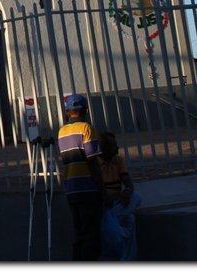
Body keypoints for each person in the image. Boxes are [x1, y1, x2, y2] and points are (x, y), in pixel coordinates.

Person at [58, 93, 105, 261]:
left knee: (78, 233)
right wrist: (101, 185)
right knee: (91, 233)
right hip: (88, 188)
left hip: (71, 188)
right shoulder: (87, 128)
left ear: (67, 112)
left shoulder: (62, 132)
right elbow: (92, 160)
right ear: (85, 110)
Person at [99, 132, 141, 261]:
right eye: (113, 146)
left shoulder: (118, 160)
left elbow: (128, 183)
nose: (117, 148)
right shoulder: (96, 164)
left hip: (118, 203)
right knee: (130, 219)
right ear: (104, 149)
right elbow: (101, 193)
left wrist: (127, 192)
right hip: (106, 204)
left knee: (136, 198)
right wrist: (117, 196)